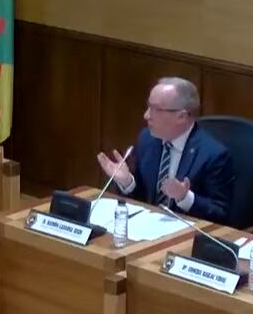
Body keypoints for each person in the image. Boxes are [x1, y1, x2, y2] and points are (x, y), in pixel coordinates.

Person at [96, 77, 234, 223]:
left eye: (156, 109)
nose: (146, 115)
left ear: (181, 116)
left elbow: (221, 213)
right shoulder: (147, 139)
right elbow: (143, 199)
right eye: (148, 107)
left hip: (184, 236)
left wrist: (184, 197)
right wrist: (127, 182)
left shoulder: (213, 154)